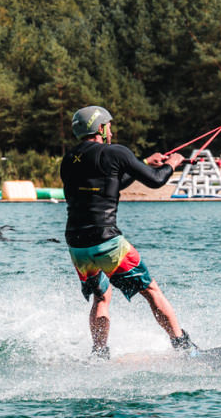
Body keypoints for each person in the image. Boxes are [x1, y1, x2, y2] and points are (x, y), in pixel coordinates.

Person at [61, 105, 194, 360]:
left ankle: (99, 354)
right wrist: (173, 164)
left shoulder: (69, 159)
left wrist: (142, 162)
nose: (111, 130)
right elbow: (156, 180)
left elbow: (111, 183)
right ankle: (184, 347)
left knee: (101, 296)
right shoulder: (116, 152)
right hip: (107, 242)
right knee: (151, 290)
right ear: (101, 128)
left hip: (77, 245)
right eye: (108, 125)